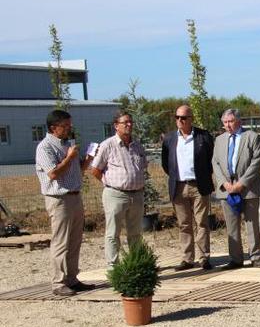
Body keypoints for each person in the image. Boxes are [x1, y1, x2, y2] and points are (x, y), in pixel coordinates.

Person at [35, 110, 96, 296]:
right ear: (54, 128)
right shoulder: (45, 147)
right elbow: (53, 173)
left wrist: (89, 158)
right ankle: (58, 282)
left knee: (75, 240)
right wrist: (69, 157)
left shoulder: (67, 144)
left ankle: (72, 278)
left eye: (70, 125)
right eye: (66, 126)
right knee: (61, 241)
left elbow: (79, 168)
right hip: (59, 199)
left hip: (75, 196)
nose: (69, 129)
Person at [90, 111, 148, 268]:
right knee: (113, 233)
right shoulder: (107, 145)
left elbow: (143, 166)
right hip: (115, 194)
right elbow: (95, 169)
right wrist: (108, 182)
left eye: (130, 122)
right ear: (116, 126)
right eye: (125, 122)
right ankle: (113, 266)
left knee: (135, 232)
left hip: (136, 195)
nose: (129, 125)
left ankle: (136, 263)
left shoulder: (137, 145)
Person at [161, 104, 215, 271]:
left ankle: (204, 257)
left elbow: (210, 161)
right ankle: (187, 258)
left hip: (199, 185)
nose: (180, 121)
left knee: (202, 222)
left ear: (191, 119)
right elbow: (165, 164)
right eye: (177, 117)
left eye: (183, 118)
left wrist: (205, 176)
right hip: (178, 186)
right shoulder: (169, 139)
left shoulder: (203, 136)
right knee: (184, 224)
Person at [212, 108, 260, 270]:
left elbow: (256, 162)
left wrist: (241, 183)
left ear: (239, 121)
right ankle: (235, 259)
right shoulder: (219, 140)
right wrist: (224, 183)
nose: (227, 125)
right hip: (226, 188)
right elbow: (215, 163)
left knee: (251, 224)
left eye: (230, 121)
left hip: (247, 188)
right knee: (232, 225)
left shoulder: (252, 137)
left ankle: (255, 257)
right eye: (225, 122)